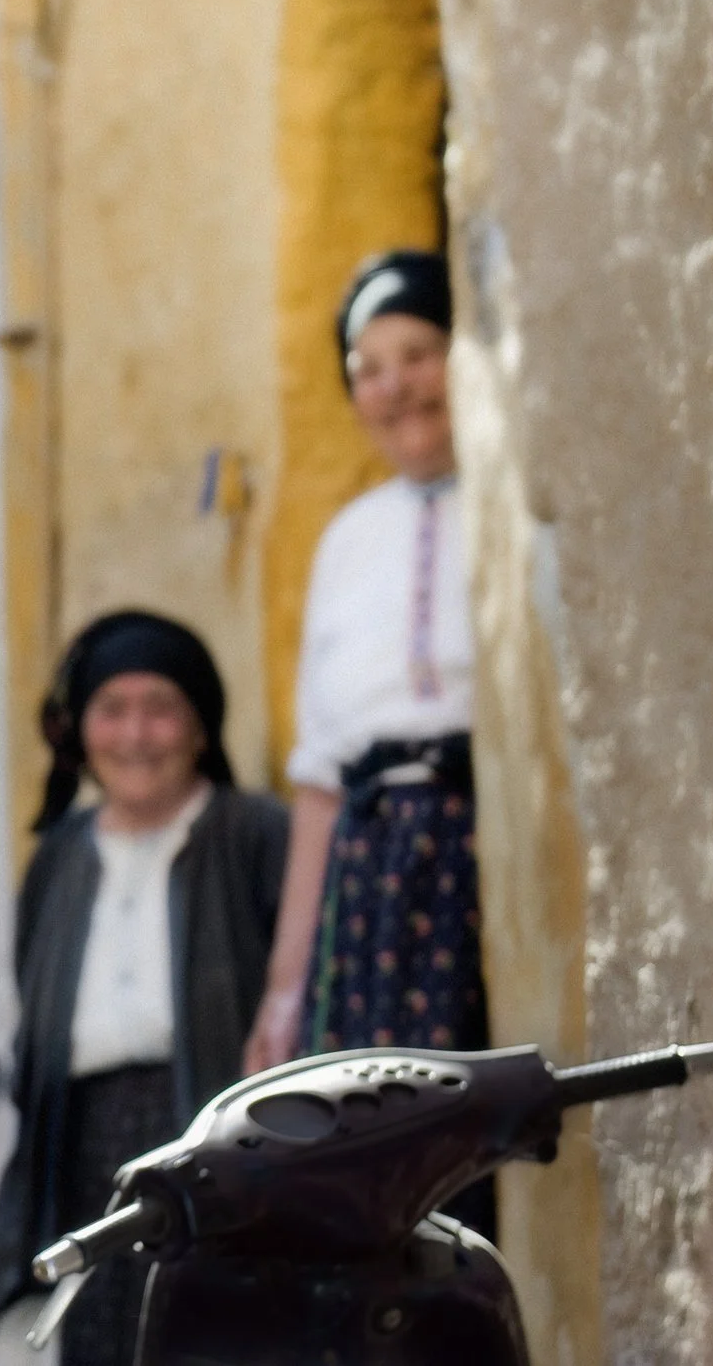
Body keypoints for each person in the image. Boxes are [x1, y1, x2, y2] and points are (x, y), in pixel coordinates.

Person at [0, 612, 288, 1366]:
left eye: (161, 708)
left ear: (201, 726)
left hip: (215, 1143)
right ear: (82, 732)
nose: (136, 734)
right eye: (113, 710)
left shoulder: (257, 835)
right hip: (81, 1148)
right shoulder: (59, 858)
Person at [243, 249, 492, 1231]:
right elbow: (317, 784)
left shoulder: (508, 503)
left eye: (417, 352)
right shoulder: (346, 540)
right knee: (382, 1157)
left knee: (492, 1128)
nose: (396, 386)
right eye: (369, 367)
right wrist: (283, 991)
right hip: (373, 884)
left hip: (482, 856)